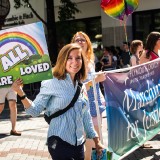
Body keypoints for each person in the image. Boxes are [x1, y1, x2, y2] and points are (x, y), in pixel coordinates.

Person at [11, 43, 104, 160]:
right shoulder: (51, 82)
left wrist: (97, 141)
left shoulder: (81, 85)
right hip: (59, 141)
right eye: (69, 58)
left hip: (79, 144)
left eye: (78, 58)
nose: (74, 62)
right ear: (62, 60)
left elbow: (86, 116)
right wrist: (20, 93)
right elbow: (34, 111)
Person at [71, 31, 106, 160]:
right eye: (77, 40)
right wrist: (97, 79)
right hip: (84, 103)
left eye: (83, 40)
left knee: (98, 136)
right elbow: (78, 87)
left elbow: (91, 80)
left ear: (87, 43)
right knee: (91, 138)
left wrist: (97, 77)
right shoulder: (74, 62)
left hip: (96, 101)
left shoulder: (90, 59)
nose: (80, 42)